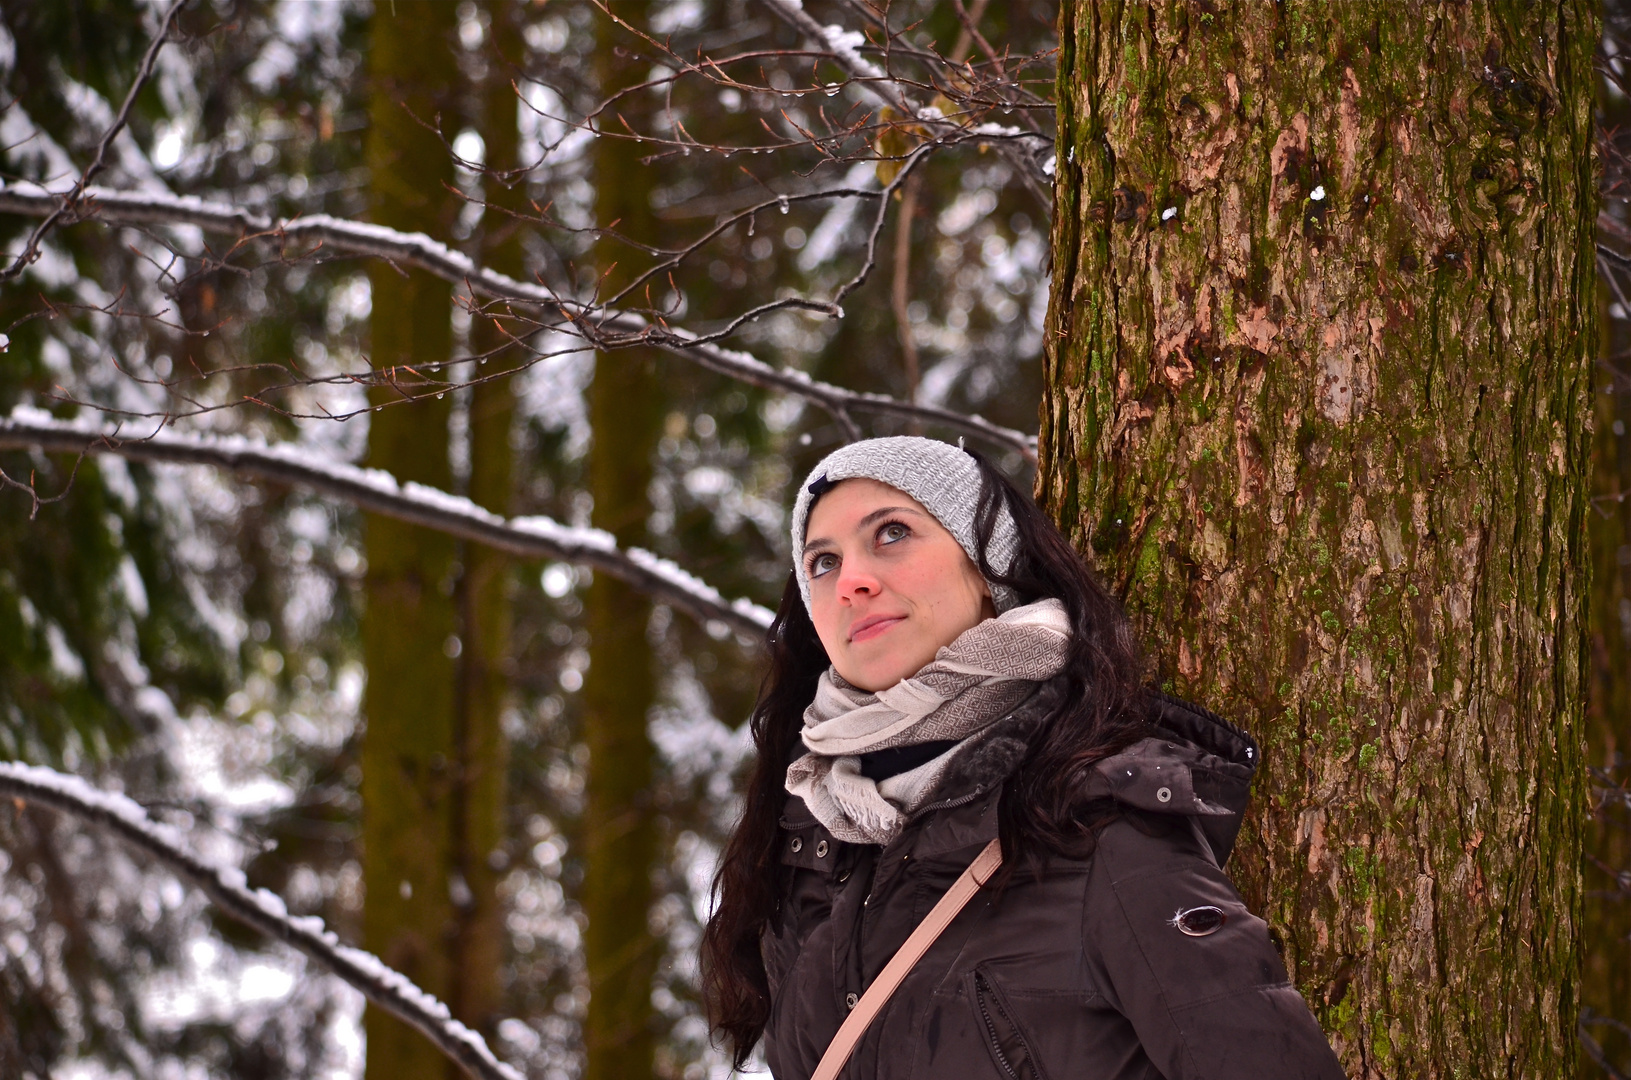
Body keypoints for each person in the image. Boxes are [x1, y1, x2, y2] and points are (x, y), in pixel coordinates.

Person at [700, 436, 1346, 1079]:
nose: (852, 582)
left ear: (987, 563)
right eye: (821, 563)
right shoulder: (808, 844)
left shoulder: (1099, 829)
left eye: (891, 533)